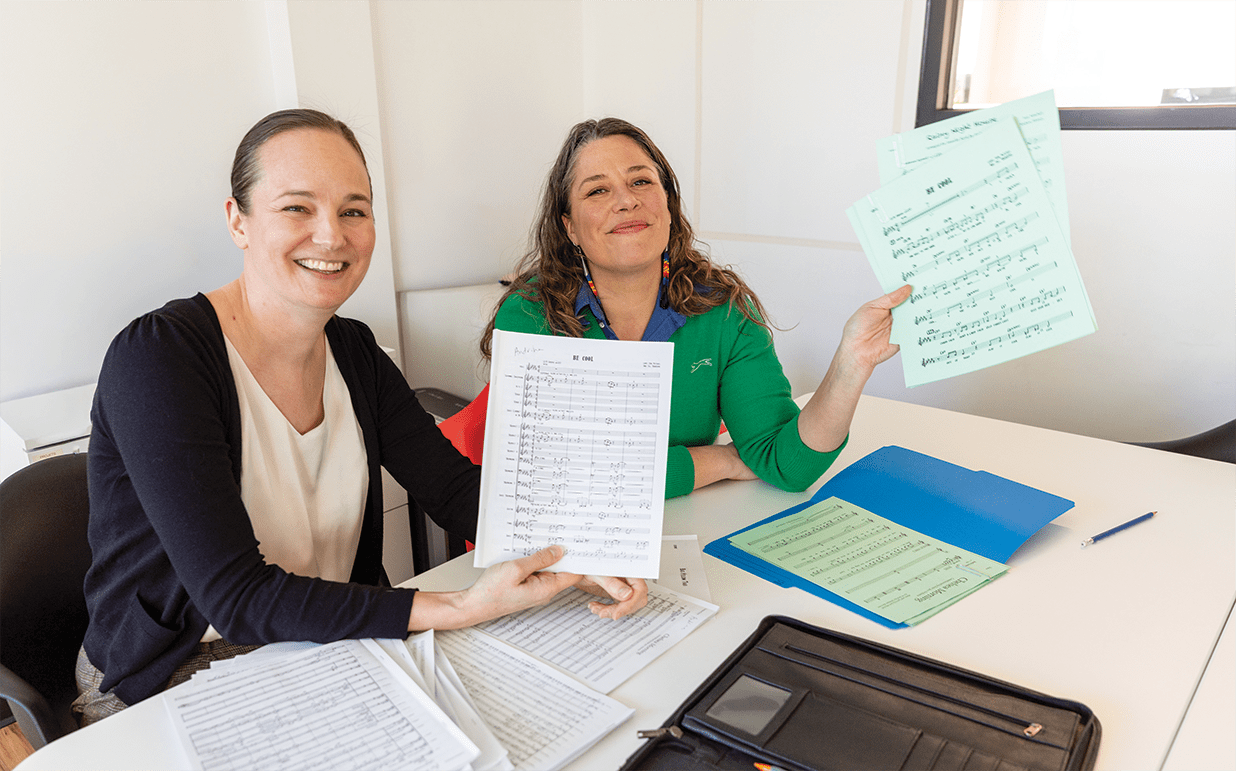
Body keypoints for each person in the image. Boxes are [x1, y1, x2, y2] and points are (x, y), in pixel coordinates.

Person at [75, 109, 646, 725]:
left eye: (353, 210)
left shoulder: (353, 351)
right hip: (173, 672)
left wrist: (582, 550)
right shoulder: (159, 358)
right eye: (297, 208)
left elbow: (454, 491)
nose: (331, 236)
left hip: (320, 643)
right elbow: (237, 598)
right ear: (238, 221)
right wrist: (459, 606)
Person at [483, 117, 911, 499]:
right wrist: (720, 461)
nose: (626, 201)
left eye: (641, 182)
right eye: (597, 190)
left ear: (668, 205)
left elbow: (785, 464)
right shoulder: (530, 315)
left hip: (690, 530)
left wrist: (850, 366)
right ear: (570, 226)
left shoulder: (722, 309)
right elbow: (554, 479)